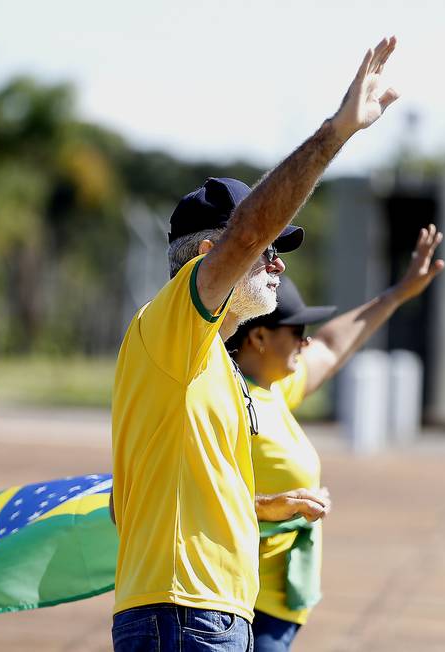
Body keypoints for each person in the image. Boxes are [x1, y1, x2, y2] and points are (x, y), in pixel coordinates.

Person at [109, 36, 402, 652]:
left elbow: (135, 505)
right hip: (186, 616)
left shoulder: (206, 356)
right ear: (209, 256)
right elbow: (247, 233)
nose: (278, 265)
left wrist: (261, 506)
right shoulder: (174, 327)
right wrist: (335, 134)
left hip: (204, 614)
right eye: (268, 251)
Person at [226, 225, 444, 652]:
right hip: (249, 608)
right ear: (259, 336)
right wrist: (272, 507)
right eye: (296, 331)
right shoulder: (231, 399)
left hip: (276, 610)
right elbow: (198, 494)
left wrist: (397, 293)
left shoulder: (272, 388)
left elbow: (330, 344)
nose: (305, 341)